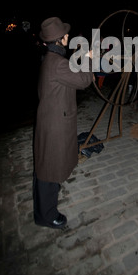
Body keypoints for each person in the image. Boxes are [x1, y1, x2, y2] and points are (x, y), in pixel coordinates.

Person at [33, 17, 93, 229]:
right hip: (55, 123)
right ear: (60, 39)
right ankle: (47, 216)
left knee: (47, 165)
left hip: (51, 119)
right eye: (66, 35)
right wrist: (87, 58)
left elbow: (69, 77)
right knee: (49, 169)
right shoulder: (57, 63)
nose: (68, 36)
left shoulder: (51, 59)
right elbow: (84, 80)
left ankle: (43, 208)